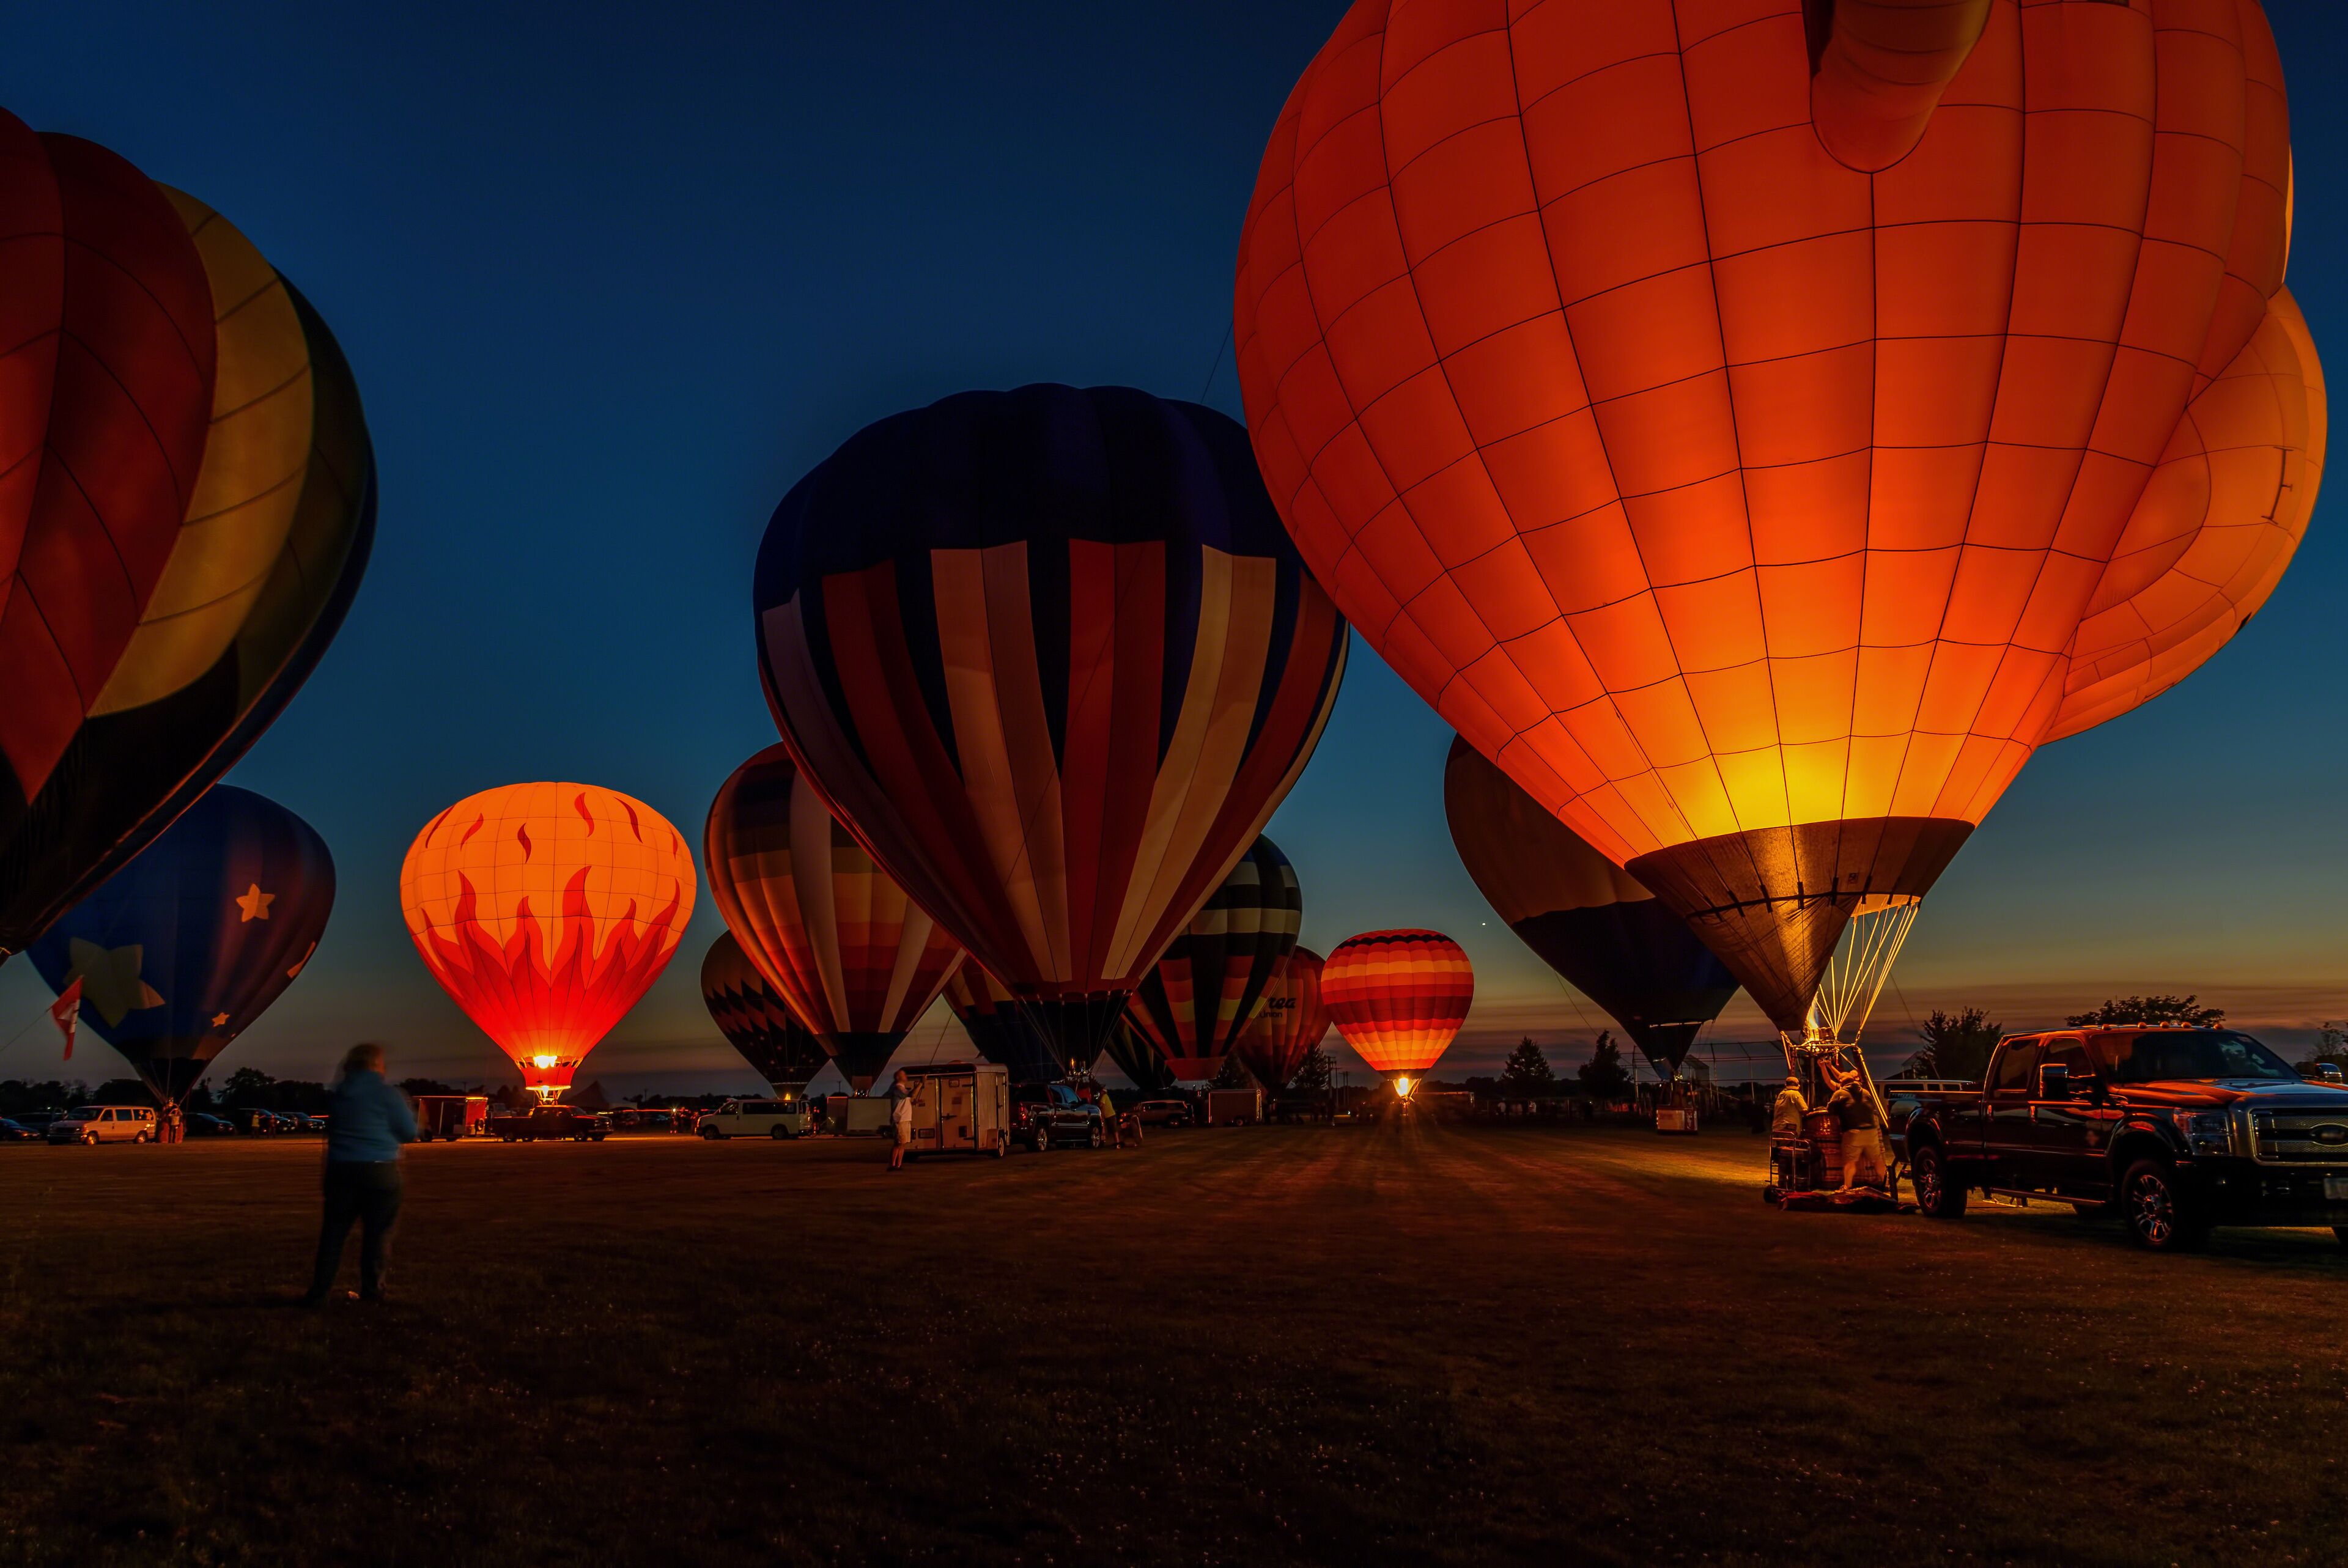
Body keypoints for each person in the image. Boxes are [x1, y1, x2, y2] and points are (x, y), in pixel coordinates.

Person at [303, 1043, 418, 1305]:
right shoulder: (389, 1095)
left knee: (333, 1236)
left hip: (341, 1170)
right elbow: (409, 1132)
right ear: (377, 1066)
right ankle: (372, 1291)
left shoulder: (340, 1095)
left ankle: (319, 1293)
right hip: (380, 1170)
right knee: (377, 1236)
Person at [886, 1069, 914, 1171]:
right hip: (900, 1119)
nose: (905, 1075)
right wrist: (921, 1083)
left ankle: (898, 1165)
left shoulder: (902, 1089)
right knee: (899, 1143)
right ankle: (892, 1165)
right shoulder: (898, 1089)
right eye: (903, 1074)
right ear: (898, 1078)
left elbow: (909, 1098)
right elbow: (910, 1094)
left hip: (906, 1119)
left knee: (903, 1144)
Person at [1770, 1073, 1809, 1137]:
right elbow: (1804, 1110)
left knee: (1780, 1146)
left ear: (1786, 1085)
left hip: (1777, 1127)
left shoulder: (1781, 1094)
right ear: (1798, 1085)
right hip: (1789, 1128)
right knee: (1789, 1146)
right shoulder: (1795, 1094)